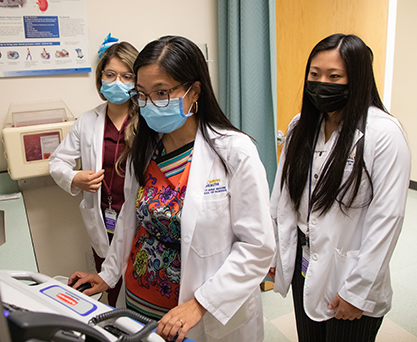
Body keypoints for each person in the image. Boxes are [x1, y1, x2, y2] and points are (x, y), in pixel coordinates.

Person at [68, 35, 275, 342]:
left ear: (194, 91)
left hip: (198, 315)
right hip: (139, 308)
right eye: (142, 94)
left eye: (162, 93)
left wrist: (201, 304)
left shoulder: (234, 152)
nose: (150, 104)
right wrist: (107, 275)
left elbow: (257, 247)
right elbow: (130, 220)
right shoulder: (145, 148)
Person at [268, 33, 411, 341]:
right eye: (315, 74)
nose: (322, 84)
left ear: (357, 79)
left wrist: (357, 292)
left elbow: (387, 219)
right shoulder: (300, 126)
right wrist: (274, 254)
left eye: (335, 76)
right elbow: (281, 198)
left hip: (350, 274)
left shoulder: (383, 133)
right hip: (302, 265)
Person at [49, 41, 139, 307]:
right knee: (108, 288)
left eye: (126, 76)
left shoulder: (148, 121)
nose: (117, 82)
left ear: (137, 81)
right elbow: (57, 162)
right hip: (103, 221)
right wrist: (74, 178)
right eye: (110, 75)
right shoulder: (87, 121)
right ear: (100, 78)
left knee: (138, 291)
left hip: (138, 222)